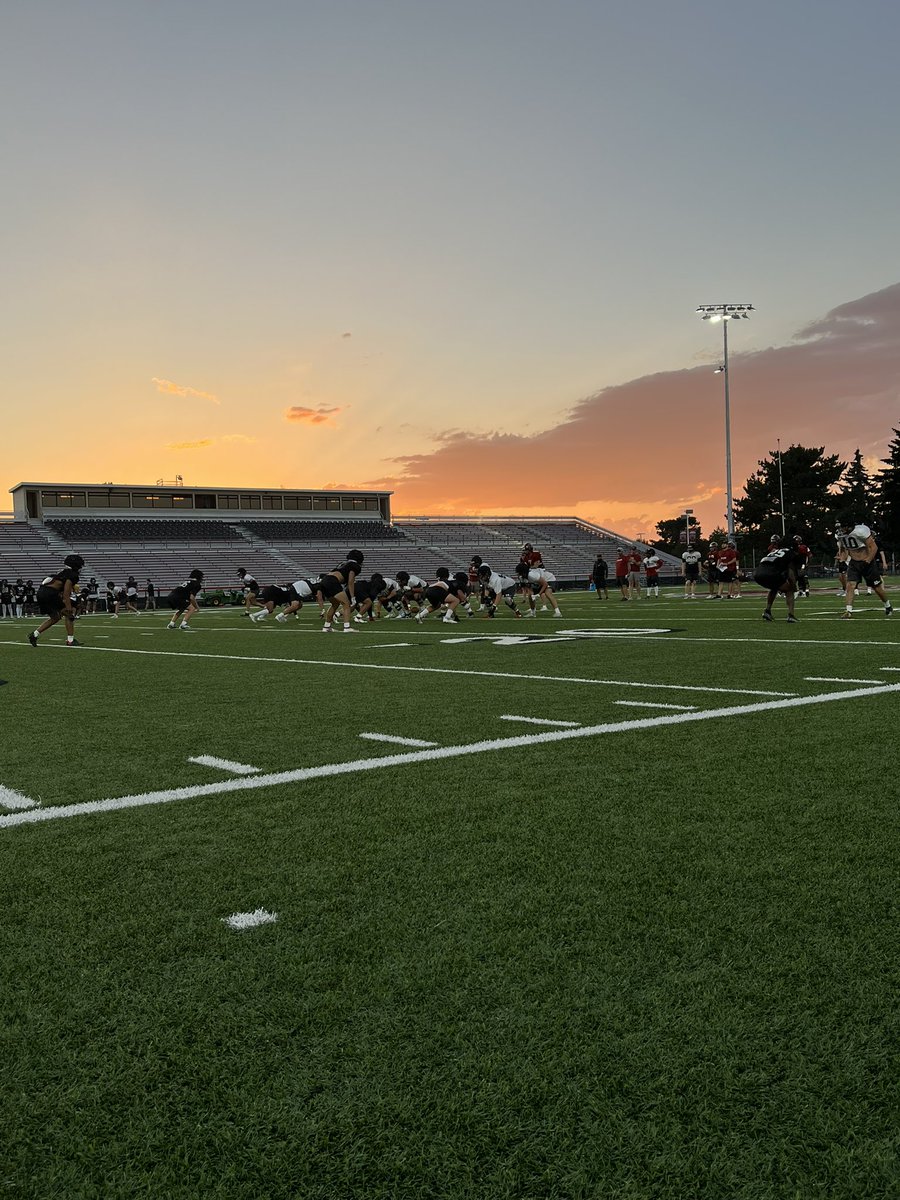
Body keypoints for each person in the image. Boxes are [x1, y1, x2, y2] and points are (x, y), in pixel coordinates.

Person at [835, 522, 893, 619]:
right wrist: (842, 558)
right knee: (850, 585)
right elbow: (844, 549)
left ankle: (887, 605)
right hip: (854, 562)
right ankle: (848, 610)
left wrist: (868, 561)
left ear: (849, 526)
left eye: (843, 527)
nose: (841, 529)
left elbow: (874, 548)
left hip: (867, 562)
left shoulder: (860, 531)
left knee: (877, 588)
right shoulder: (841, 535)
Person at [28, 554, 86, 647]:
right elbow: (66, 594)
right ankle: (70, 640)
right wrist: (69, 608)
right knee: (69, 614)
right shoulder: (72, 575)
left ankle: (34, 634)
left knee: (56, 617)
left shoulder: (63, 572)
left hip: (41, 592)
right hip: (50, 593)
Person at [754, 544, 802, 624]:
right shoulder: (790, 554)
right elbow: (790, 573)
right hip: (770, 573)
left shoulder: (777, 551)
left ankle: (767, 611)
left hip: (757, 573)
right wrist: (793, 586)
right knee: (789, 589)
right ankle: (791, 615)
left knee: (774, 587)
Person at [320, 550, 363, 633]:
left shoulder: (343, 563)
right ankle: (347, 627)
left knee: (335, 604)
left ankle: (326, 627)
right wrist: (352, 596)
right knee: (346, 604)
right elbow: (351, 582)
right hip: (332, 581)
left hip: (325, 580)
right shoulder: (354, 566)